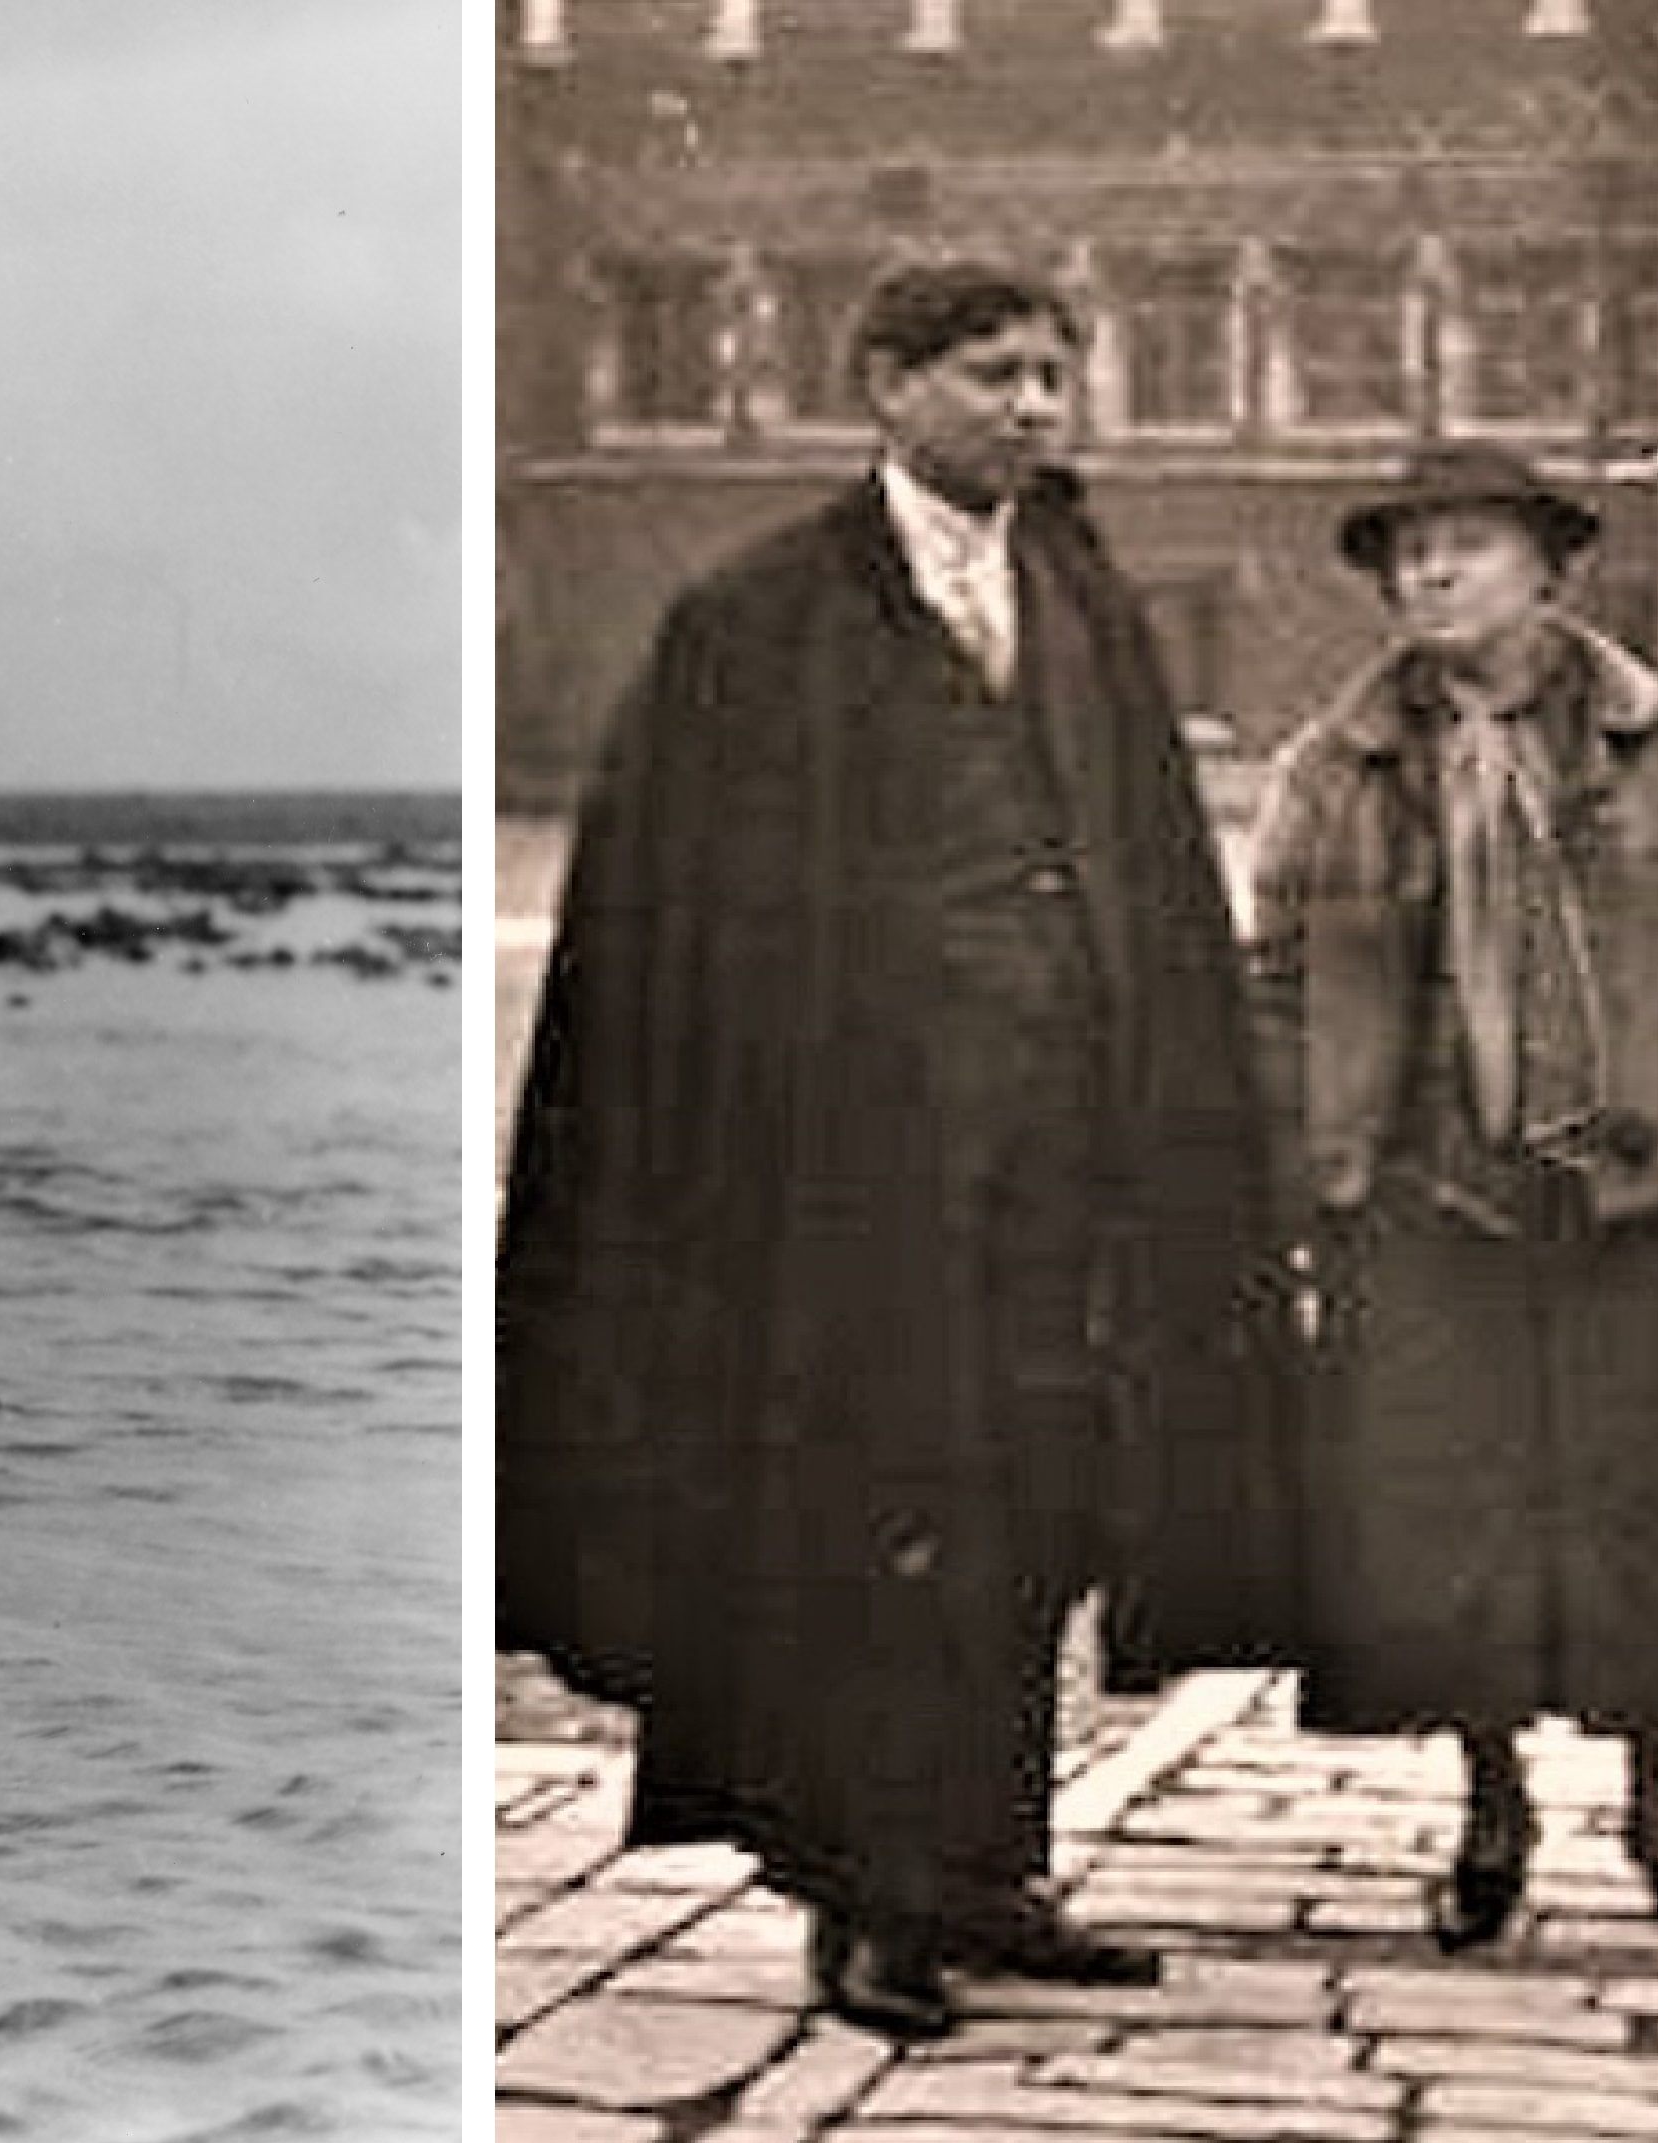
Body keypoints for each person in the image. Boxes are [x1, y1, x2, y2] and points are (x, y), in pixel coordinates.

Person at [501, 266, 1288, 2042]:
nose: (1035, 407)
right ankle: (864, 1897)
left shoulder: (1080, 608)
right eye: (996, 376)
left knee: (1036, 1499)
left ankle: (989, 1869)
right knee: (873, 1520)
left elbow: (1155, 887)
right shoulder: (760, 622)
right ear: (887, 385)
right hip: (848, 1198)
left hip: (1063, 1179)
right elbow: (680, 940)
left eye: (1053, 376)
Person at [1247, 443, 1658, 1971]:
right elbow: (1277, 990)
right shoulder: (1336, 761)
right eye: (1409, 554)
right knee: (1452, 1518)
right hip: (1423, 1200)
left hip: (1624, 1194)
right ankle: (1493, 1808)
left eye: (1466, 547)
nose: (1430, 576)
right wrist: (1309, 1188)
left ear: (1549, 570)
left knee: (1649, 1516)